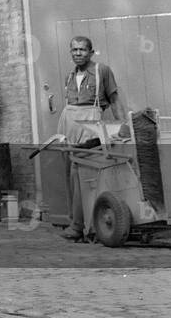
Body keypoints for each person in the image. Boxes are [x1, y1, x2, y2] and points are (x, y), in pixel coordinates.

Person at [57, 36, 128, 241]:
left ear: (91, 52)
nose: (78, 53)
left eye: (82, 50)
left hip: (90, 132)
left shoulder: (101, 71)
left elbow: (114, 99)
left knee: (85, 175)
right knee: (72, 175)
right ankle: (77, 222)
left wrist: (122, 126)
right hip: (70, 130)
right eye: (74, 50)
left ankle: (80, 226)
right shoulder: (69, 76)